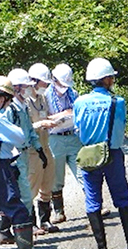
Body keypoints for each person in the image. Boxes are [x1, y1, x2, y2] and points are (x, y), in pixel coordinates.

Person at [0, 76, 51, 249]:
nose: (8, 104)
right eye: (8, 100)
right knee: (17, 208)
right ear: (2, 97)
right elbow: (19, 137)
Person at [73, 57, 128, 249]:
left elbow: (78, 128)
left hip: (88, 154)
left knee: (92, 199)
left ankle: (102, 247)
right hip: (112, 153)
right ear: (106, 79)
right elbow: (121, 126)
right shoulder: (117, 102)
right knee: (121, 196)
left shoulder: (79, 102)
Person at [0, 68, 48, 244]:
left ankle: (9, 232)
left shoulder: (23, 106)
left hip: (26, 153)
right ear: (17, 88)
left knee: (19, 193)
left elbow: (30, 131)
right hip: (15, 156)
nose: (29, 89)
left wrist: (39, 149)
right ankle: (23, 236)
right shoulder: (10, 109)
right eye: (25, 86)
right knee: (24, 194)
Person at [44, 63, 83, 224]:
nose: (63, 87)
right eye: (61, 84)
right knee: (56, 177)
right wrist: (63, 115)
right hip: (55, 139)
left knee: (83, 171)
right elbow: (43, 118)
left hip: (73, 136)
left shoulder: (73, 93)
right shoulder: (45, 96)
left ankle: (95, 205)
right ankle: (58, 211)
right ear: (54, 80)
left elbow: (79, 111)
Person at [27, 63, 59, 233]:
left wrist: (55, 121)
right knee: (31, 187)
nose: (46, 87)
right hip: (32, 150)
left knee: (47, 184)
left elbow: (45, 116)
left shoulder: (43, 98)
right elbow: (24, 128)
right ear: (34, 81)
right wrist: (40, 124)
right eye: (44, 83)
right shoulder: (24, 102)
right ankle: (30, 224)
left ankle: (45, 220)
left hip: (46, 145)